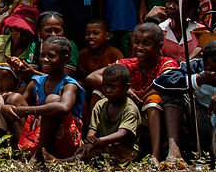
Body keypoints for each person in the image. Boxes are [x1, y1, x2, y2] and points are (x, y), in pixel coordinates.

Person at [88, 22, 177, 162]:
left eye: (146, 43)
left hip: (152, 114)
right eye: (136, 42)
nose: (140, 47)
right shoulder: (127, 64)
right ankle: (91, 140)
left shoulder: (167, 63)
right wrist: (126, 91)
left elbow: (165, 84)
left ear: (159, 46)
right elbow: (92, 77)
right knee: (98, 92)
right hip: (125, 110)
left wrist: (140, 98)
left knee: (153, 100)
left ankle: (156, 154)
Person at [2, 35, 85, 162]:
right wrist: (6, 107)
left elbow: (64, 107)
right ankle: (26, 153)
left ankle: (38, 155)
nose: (44, 60)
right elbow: (19, 108)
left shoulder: (70, 85)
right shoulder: (37, 82)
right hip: (37, 137)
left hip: (63, 141)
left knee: (53, 100)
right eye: (42, 55)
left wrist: (27, 110)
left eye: (51, 56)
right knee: (14, 98)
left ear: (65, 59)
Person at [155, 41, 216, 163]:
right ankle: (174, 152)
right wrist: (198, 80)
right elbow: (160, 82)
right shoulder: (195, 66)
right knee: (173, 93)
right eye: (210, 70)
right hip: (201, 120)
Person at [77, 63, 140, 164]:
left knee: (97, 152)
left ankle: (64, 162)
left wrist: (98, 141)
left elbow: (122, 134)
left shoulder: (130, 109)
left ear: (126, 87)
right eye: (104, 86)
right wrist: (90, 140)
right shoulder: (100, 105)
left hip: (126, 150)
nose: (107, 90)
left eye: (113, 87)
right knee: (85, 149)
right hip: (102, 144)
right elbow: (93, 128)